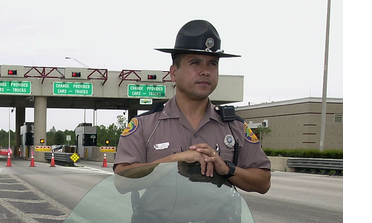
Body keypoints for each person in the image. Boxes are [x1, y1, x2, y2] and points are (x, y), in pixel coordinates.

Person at [113, 20, 271, 194]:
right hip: (159, 222)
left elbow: (263, 183)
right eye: (195, 63)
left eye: (213, 64)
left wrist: (227, 169)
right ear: (173, 73)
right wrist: (173, 160)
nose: (205, 71)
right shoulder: (145, 125)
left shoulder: (234, 127)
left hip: (219, 222)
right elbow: (122, 181)